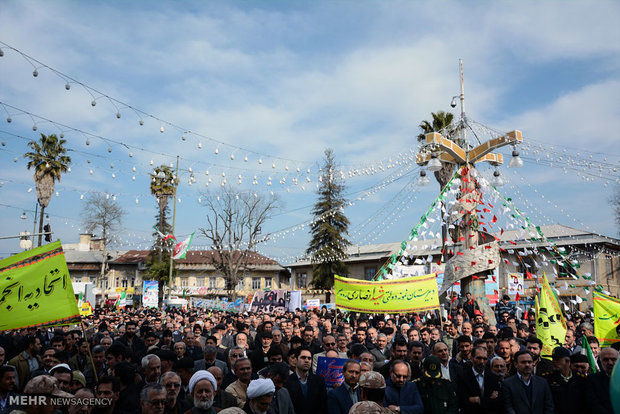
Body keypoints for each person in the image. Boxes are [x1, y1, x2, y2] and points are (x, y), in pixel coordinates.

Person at [502, 350, 554, 414]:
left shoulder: (542, 383)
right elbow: (508, 407)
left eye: (529, 362)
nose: (527, 365)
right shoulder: (507, 384)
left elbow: (549, 406)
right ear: (515, 364)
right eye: (523, 362)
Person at [457, 346, 502, 414]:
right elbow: (463, 402)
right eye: (479, 358)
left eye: (484, 359)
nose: (481, 361)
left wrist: (478, 400)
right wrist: (489, 400)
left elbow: (496, 403)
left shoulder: (493, 378)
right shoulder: (462, 377)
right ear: (471, 358)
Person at [283, 346, 328, 414]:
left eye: (309, 358)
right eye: (303, 357)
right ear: (296, 360)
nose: (307, 360)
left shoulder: (319, 381)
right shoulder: (287, 381)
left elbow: (323, 406)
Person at [585, 347, 618, 414]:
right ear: (600, 361)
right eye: (606, 360)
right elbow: (593, 403)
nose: (610, 363)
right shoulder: (592, 380)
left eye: (613, 359)